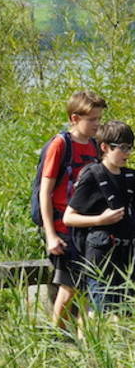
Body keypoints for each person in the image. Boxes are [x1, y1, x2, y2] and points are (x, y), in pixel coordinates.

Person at [38, 90, 106, 328]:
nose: (97, 124)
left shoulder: (97, 146)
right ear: (75, 118)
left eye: (99, 119)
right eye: (92, 120)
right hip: (62, 227)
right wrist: (50, 235)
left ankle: (82, 338)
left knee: (88, 284)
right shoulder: (61, 145)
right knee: (69, 287)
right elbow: (44, 192)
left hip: (87, 225)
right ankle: (56, 336)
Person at [63, 120, 135, 315]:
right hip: (101, 256)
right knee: (101, 313)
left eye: (130, 148)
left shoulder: (130, 177)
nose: (127, 153)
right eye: (122, 148)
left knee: (126, 314)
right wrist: (100, 220)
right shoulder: (92, 176)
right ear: (104, 147)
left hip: (127, 256)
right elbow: (68, 218)